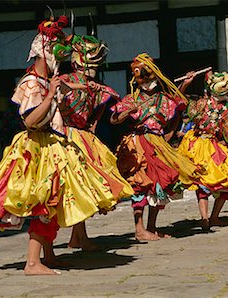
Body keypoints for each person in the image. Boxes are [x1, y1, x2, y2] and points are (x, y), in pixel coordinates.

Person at [0, 14, 123, 275]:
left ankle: (48, 256)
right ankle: (32, 263)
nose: (60, 62)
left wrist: (65, 95)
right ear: (45, 53)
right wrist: (52, 96)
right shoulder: (31, 83)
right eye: (56, 55)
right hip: (37, 148)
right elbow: (30, 120)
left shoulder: (44, 81)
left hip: (49, 145)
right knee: (44, 202)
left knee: (53, 201)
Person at [59, 28, 134, 251]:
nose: (95, 66)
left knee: (85, 187)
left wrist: (125, 112)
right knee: (78, 186)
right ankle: (82, 239)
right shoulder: (64, 81)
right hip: (65, 137)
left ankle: (76, 238)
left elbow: (106, 119)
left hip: (85, 138)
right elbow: (58, 101)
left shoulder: (100, 90)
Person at [110, 53, 199, 241]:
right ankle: (139, 228)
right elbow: (114, 119)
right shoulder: (132, 98)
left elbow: (178, 106)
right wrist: (127, 112)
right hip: (139, 144)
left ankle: (151, 227)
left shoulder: (163, 98)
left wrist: (185, 84)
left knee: (160, 183)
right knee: (141, 183)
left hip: (158, 143)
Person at [177, 70, 228, 230]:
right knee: (202, 183)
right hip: (198, 145)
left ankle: (214, 217)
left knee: (227, 181)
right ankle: (204, 218)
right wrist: (186, 84)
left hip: (215, 145)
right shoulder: (202, 103)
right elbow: (180, 101)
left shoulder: (226, 109)